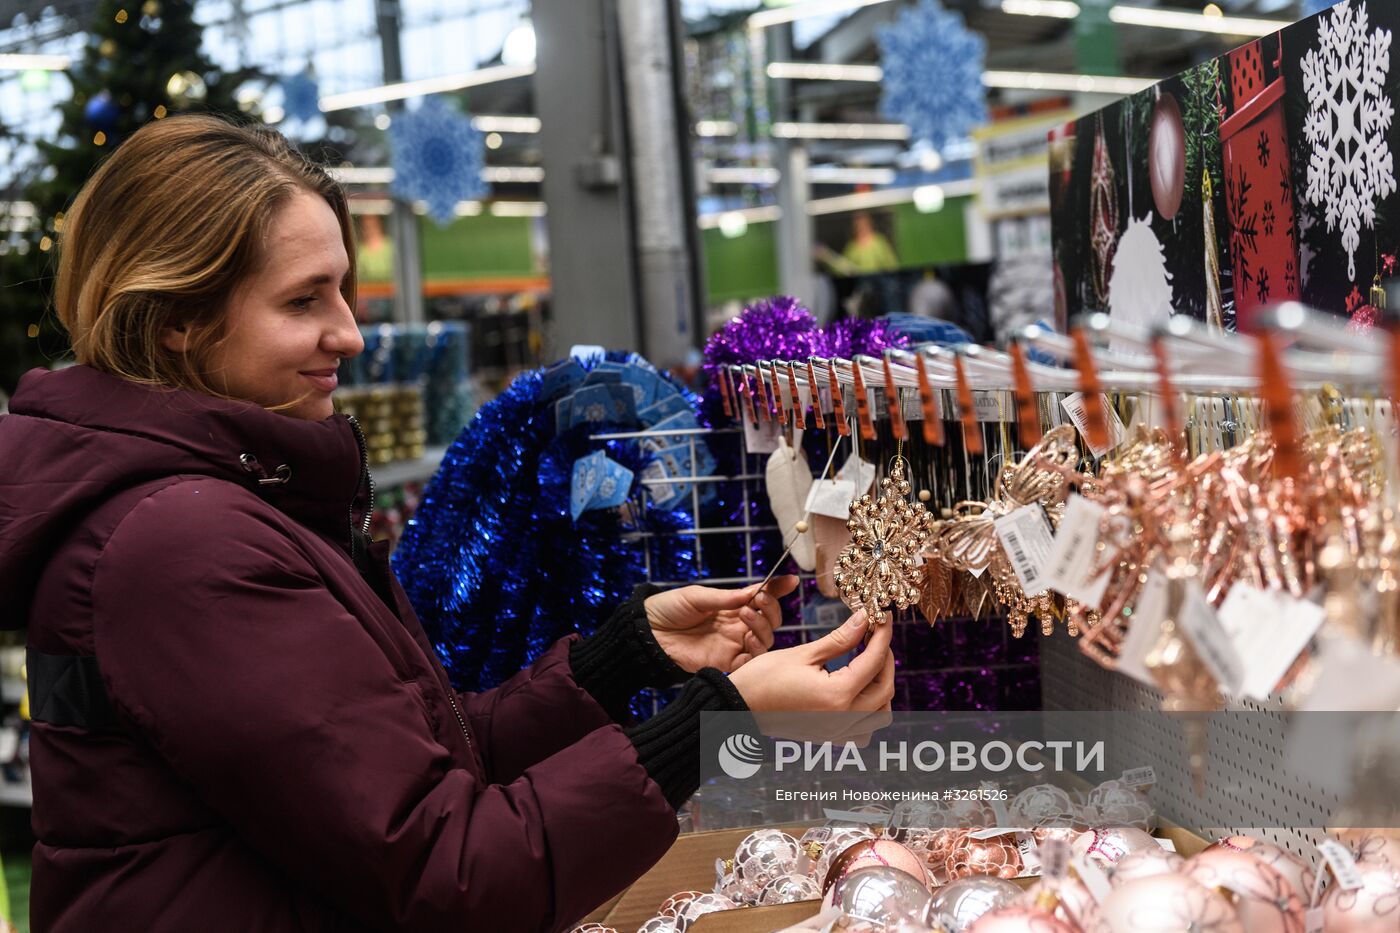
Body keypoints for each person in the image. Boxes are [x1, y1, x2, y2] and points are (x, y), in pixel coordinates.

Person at [0, 114, 895, 932]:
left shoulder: (238, 504)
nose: (351, 333)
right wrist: (721, 724)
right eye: (303, 301)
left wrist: (623, 657)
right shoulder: (182, 544)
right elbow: (446, 868)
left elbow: (416, 765)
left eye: (344, 291)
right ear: (179, 325)